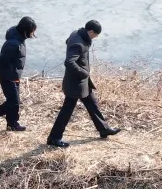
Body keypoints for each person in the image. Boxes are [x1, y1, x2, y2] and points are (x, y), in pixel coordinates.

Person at [46, 20, 121, 148]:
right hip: (75, 83)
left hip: (82, 82)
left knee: (92, 104)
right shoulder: (78, 43)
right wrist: (83, 73)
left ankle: (103, 129)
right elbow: (69, 62)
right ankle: (54, 138)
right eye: (95, 35)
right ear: (90, 31)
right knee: (66, 111)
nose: (95, 37)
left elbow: (67, 42)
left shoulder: (77, 34)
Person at [0, 16, 37, 131]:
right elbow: (1, 59)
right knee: (14, 102)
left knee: (14, 101)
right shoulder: (13, 44)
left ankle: (12, 124)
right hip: (8, 77)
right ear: (25, 30)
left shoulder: (19, 38)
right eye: (32, 30)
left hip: (14, 75)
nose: (33, 33)